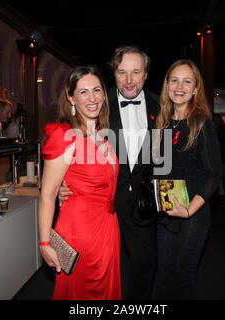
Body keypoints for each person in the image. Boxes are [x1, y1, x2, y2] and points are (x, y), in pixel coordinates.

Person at [58, 45, 160, 299]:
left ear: (146, 74)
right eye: (122, 72)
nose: (128, 80)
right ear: (113, 73)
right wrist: (61, 182)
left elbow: (167, 154)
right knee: (97, 269)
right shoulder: (98, 102)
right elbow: (71, 140)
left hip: (141, 200)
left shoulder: (160, 106)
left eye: (135, 72)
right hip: (102, 203)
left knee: (146, 262)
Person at [38, 66, 121, 300]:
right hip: (80, 231)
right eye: (83, 92)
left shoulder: (103, 134)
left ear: (104, 95)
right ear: (71, 97)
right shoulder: (63, 136)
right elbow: (47, 194)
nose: (92, 97)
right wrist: (44, 243)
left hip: (108, 227)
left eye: (96, 90)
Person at [152, 59, 222, 299]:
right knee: (163, 276)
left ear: (195, 89)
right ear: (167, 85)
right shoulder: (161, 123)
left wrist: (190, 210)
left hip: (192, 215)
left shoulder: (202, 123)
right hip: (166, 212)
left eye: (187, 81)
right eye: (174, 80)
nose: (179, 86)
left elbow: (215, 174)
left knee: (181, 279)